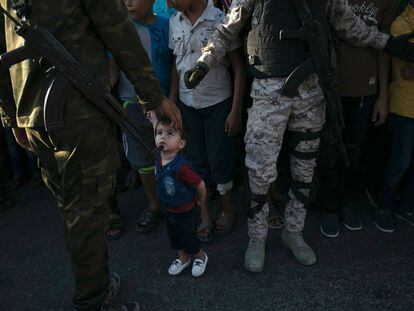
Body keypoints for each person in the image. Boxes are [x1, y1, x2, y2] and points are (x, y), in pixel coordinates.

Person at [184, 0, 414, 272]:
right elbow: (228, 27)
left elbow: (349, 25)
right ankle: (257, 239)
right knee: (259, 171)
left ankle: (293, 231)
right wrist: (204, 62)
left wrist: (386, 43)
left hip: (311, 92)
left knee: (305, 169)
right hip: (269, 94)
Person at [0, 1, 181, 310]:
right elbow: (119, 32)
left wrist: (12, 115)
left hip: (36, 114)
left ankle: (96, 282)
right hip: (77, 113)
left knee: (74, 206)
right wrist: (152, 95)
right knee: (86, 211)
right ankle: (93, 301)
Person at [168, 0, 246, 241]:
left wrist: (235, 111)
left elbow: (239, 69)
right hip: (188, 105)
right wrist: (172, 103)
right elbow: (176, 66)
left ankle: (227, 208)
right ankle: (204, 215)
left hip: (218, 103)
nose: (170, 2)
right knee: (196, 161)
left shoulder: (221, 19)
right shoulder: (174, 21)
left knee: (220, 160)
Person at [318, 0, 395, 238]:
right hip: (331, 88)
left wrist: (383, 95)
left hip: (366, 89)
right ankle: (329, 207)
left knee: (354, 151)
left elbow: (385, 48)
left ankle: (347, 202)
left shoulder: (385, 3)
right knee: (329, 150)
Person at [109, 0, 174, 235]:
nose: (128, 2)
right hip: (132, 106)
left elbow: (175, 63)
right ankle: (154, 204)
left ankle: (178, 201)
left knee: (171, 154)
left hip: (164, 103)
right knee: (143, 160)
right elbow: (112, 67)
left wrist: (173, 98)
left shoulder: (167, 26)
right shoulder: (118, 31)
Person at [375, 1, 414, 232]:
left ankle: (407, 207)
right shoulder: (401, 24)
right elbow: (408, 70)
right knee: (401, 161)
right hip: (404, 106)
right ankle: (384, 206)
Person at [152, 116, 208, 277]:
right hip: (168, 208)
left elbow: (200, 184)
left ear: (181, 144)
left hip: (185, 210)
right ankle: (183, 259)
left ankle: (200, 256)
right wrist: (154, 120)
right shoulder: (158, 157)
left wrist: (200, 199)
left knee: (189, 236)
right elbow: (156, 131)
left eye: (170, 133)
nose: (162, 136)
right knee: (174, 237)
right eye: (159, 133)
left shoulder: (181, 167)